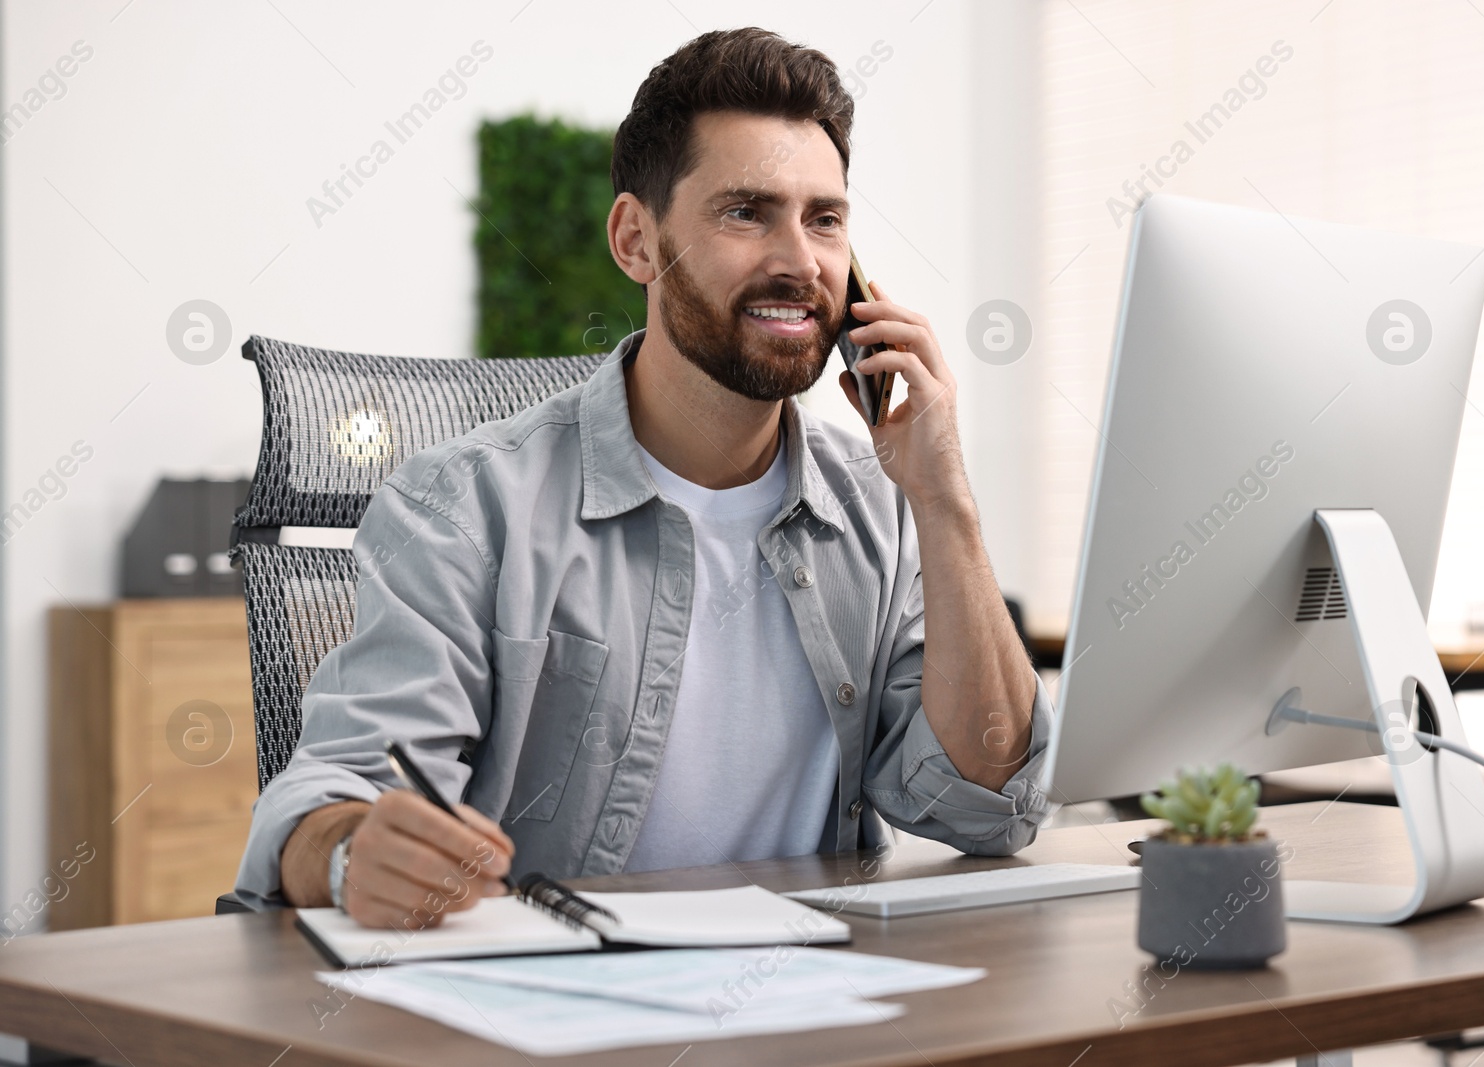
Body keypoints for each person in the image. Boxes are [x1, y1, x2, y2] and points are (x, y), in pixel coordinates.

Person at [234, 26, 1053, 930]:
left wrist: (946, 502)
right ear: (636, 239)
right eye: (747, 211)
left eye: (825, 218)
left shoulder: (882, 507)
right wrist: (353, 852)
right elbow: (327, 796)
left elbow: (988, 807)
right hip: (555, 1012)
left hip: (814, 1005)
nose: (799, 259)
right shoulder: (463, 509)